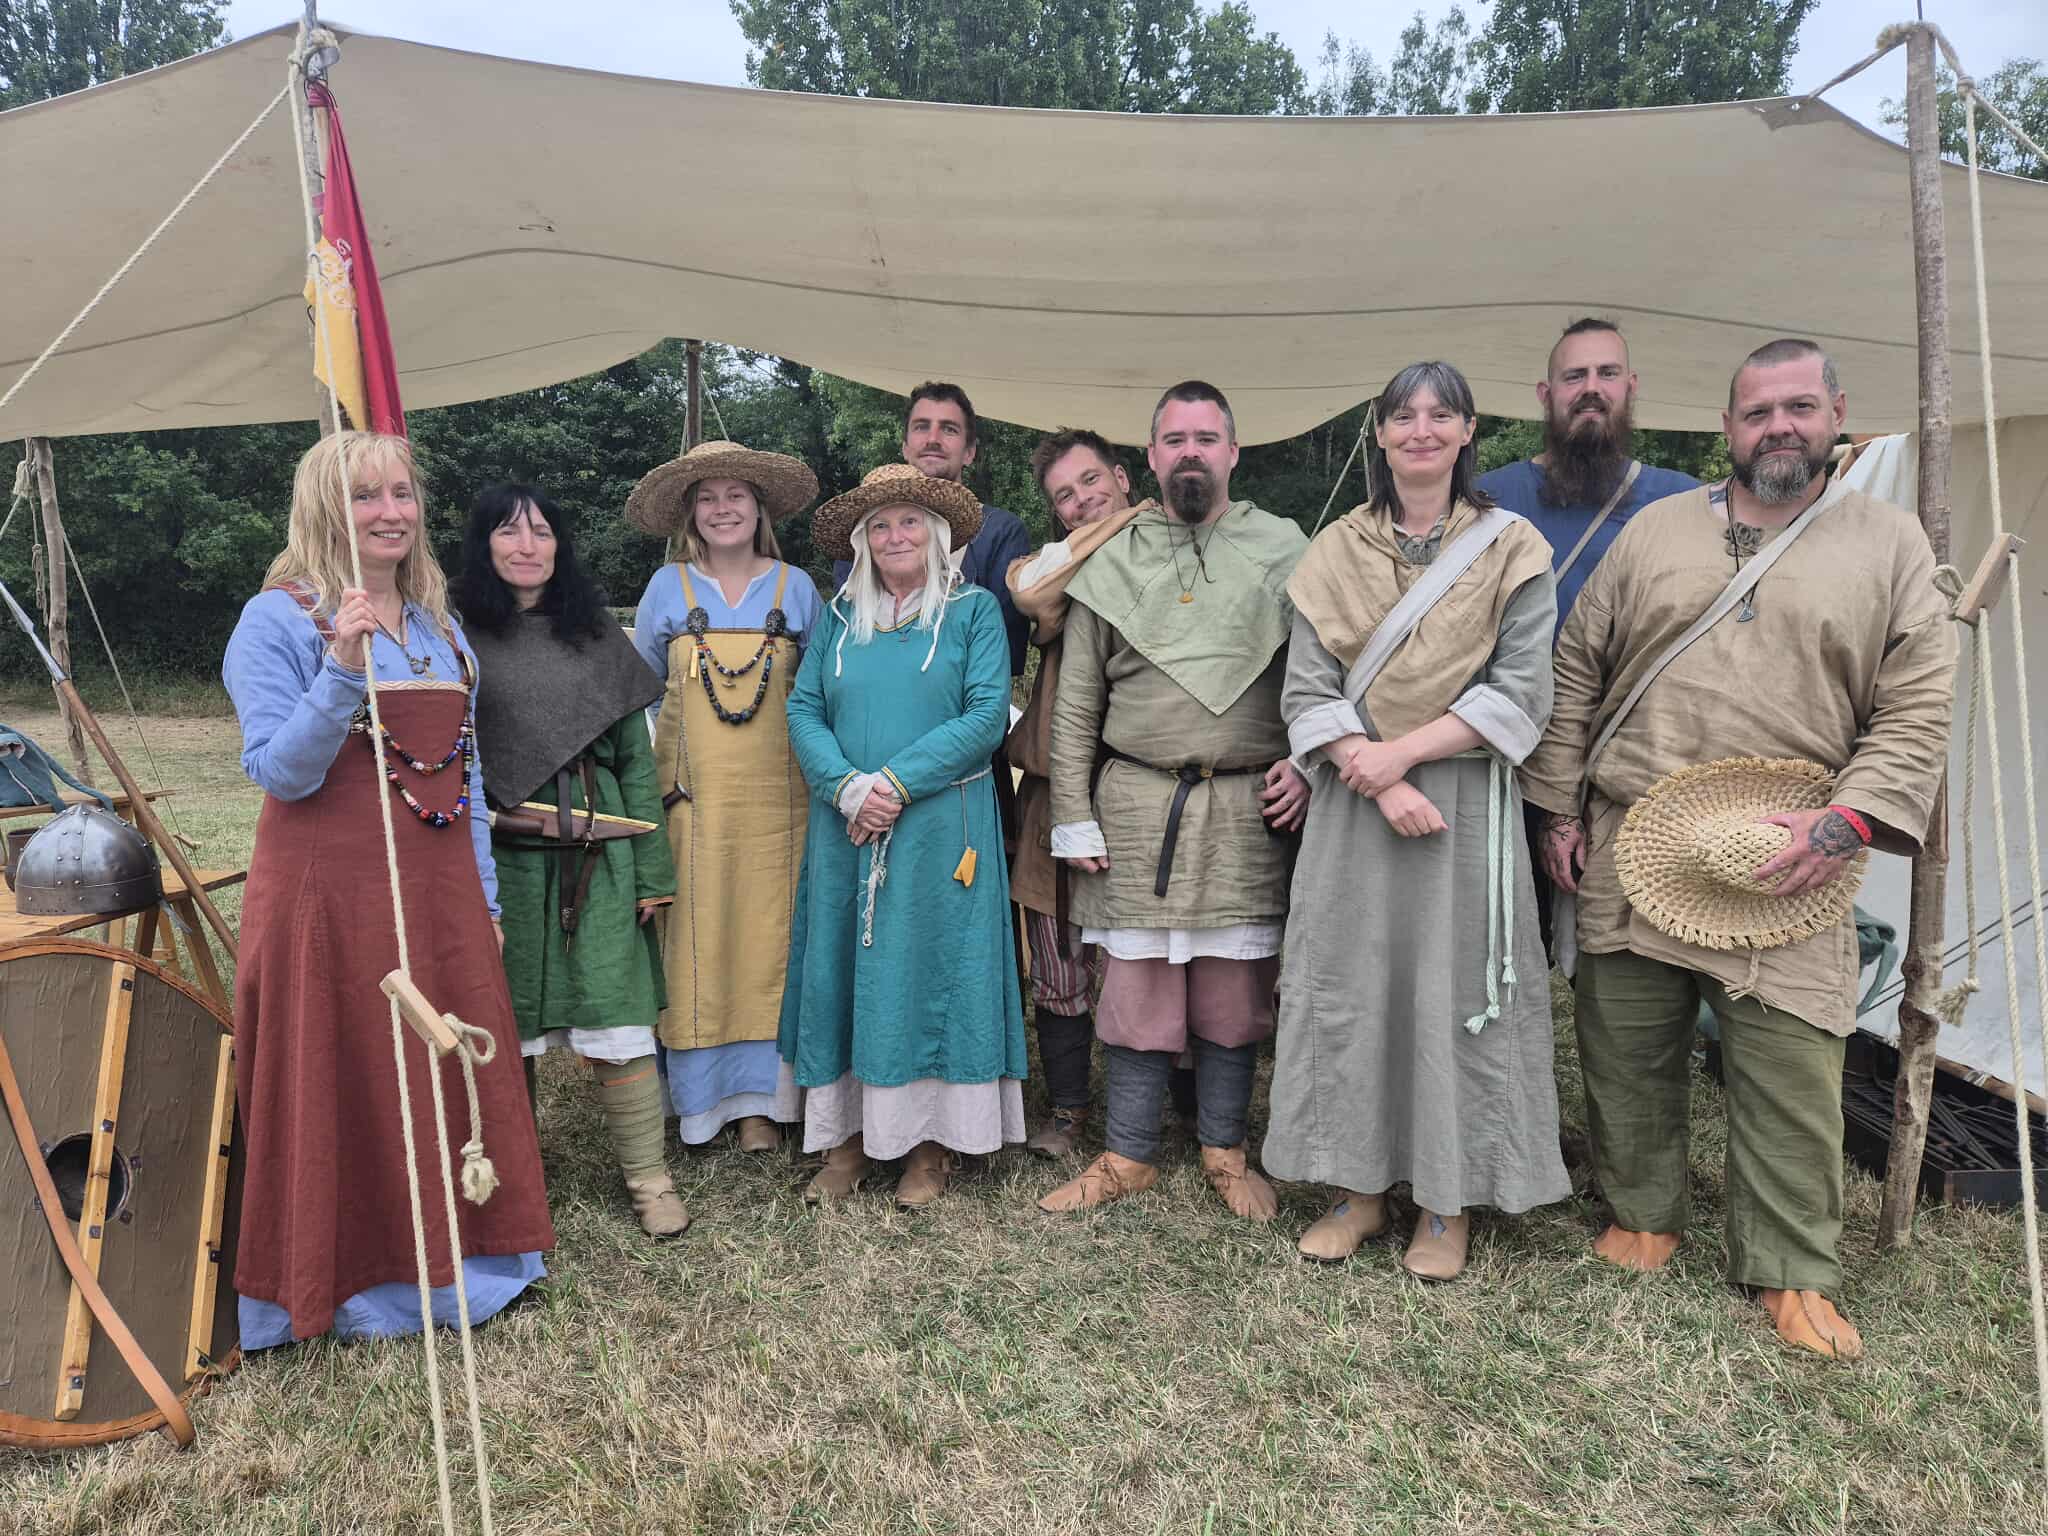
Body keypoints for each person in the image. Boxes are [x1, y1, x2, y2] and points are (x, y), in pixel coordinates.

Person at [1522, 339, 1955, 1359]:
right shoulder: (1654, 530)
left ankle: (1789, 1268)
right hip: (1635, 833)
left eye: (1797, 407)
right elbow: (1577, 667)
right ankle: (1641, 1214)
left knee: (1791, 1063)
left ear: (1834, 414)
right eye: (1756, 411)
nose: (1777, 427)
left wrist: (1845, 823)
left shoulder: (1886, 542)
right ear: (1725, 427)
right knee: (1622, 1044)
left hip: (1796, 849)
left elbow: (1915, 705)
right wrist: (1556, 809)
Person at [223, 431, 553, 1345]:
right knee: (350, 1071)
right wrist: (337, 667)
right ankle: (354, 1286)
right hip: (330, 892)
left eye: (402, 494)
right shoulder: (277, 619)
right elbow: (280, 773)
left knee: (445, 1066)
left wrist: (483, 899)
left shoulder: (444, 629)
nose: (390, 513)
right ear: (325, 507)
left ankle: (473, 1270)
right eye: (365, 496)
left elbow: (468, 780)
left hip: (440, 889)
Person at [1263, 362, 1569, 1280]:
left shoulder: (1513, 548)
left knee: (1452, 996)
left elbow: (1525, 692)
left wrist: (1405, 758)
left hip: (1463, 805)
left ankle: (1446, 1199)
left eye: (1442, 414)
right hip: (1358, 809)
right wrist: (1376, 773)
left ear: (1470, 430)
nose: (1423, 429)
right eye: (1404, 416)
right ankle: (1356, 1191)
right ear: (1382, 435)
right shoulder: (1333, 552)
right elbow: (1306, 690)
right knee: (1354, 989)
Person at [1040, 381, 1310, 1222]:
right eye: (1173, 439)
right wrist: (1070, 811)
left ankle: (1225, 1150)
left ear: (1233, 451)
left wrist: (1304, 759)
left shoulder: (1287, 548)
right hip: (1135, 804)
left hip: (1245, 807)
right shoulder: (1109, 558)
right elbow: (1077, 700)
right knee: (1137, 988)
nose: (1189, 452)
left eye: (1206, 437)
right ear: (1150, 458)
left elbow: (1325, 677)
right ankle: (1127, 1154)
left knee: (1235, 988)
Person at [775, 464, 1028, 1207]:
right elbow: (802, 709)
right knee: (844, 969)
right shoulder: (837, 615)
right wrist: (848, 786)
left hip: (939, 824)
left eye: (909, 521)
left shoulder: (974, 612)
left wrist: (894, 783)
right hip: (846, 824)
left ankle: (929, 1145)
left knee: (927, 970)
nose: (894, 536)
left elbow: (987, 714)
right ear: (861, 540)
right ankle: (849, 1139)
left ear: (937, 533)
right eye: (879, 525)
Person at [455, 482, 685, 1238]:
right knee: (504, 1019)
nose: (528, 547)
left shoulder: (597, 635)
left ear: (561, 544)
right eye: (510, 533)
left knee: (616, 1012)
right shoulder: (456, 636)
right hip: (503, 861)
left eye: (542, 532)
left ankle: (650, 1182)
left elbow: (638, 762)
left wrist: (652, 873)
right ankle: (515, 1184)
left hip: (604, 852)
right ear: (484, 545)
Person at [1476, 318, 1700, 955]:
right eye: (1575, 376)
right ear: (1546, 395)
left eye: (1606, 375)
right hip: (1509, 760)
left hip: (1628, 761)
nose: (1591, 389)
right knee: (1505, 945)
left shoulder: (1682, 503)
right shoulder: (1489, 499)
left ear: (1630, 389)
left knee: (1627, 951)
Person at [627, 441, 824, 1153]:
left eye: (735, 495)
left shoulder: (796, 589)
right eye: (707, 497)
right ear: (690, 514)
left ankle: (763, 1109)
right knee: (696, 946)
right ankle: (701, 1107)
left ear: (758, 506)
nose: (722, 508)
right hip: (693, 809)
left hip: (783, 812)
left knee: (771, 945)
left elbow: (826, 694)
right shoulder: (665, 590)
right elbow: (634, 696)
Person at [1004, 429, 1145, 1157]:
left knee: (1135, 961)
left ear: (1122, 475)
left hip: (1136, 786)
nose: (1082, 499)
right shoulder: (1056, 569)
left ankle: (1144, 1111)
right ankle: (1068, 1111)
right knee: (1058, 961)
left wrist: (1136, 525)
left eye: (1092, 482)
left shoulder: (1168, 546)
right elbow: (1029, 587)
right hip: (1054, 788)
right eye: (1065, 494)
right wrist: (1115, 523)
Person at [831, 382, 1033, 677]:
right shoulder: (863, 531)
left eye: (949, 429)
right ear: (905, 447)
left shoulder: (1000, 532)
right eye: (921, 427)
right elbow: (847, 640)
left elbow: (1006, 653)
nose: (933, 439)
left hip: (969, 712)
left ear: (969, 452)